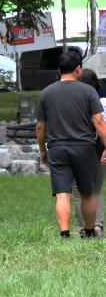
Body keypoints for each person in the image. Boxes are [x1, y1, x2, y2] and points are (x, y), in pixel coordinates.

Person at [36, 50, 106, 239]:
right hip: (84, 147)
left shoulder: (46, 93)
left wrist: (43, 149)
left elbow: (41, 127)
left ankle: (64, 234)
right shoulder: (88, 91)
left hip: (57, 148)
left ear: (59, 69)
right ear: (78, 69)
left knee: (62, 193)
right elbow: (99, 122)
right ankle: (90, 232)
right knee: (88, 192)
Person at [71, 68, 106, 237]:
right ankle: (98, 226)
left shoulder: (72, 104)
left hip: (78, 150)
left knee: (79, 192)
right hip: (100, 149)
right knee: (97, 189)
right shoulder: (103, 103)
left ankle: (84, 228)